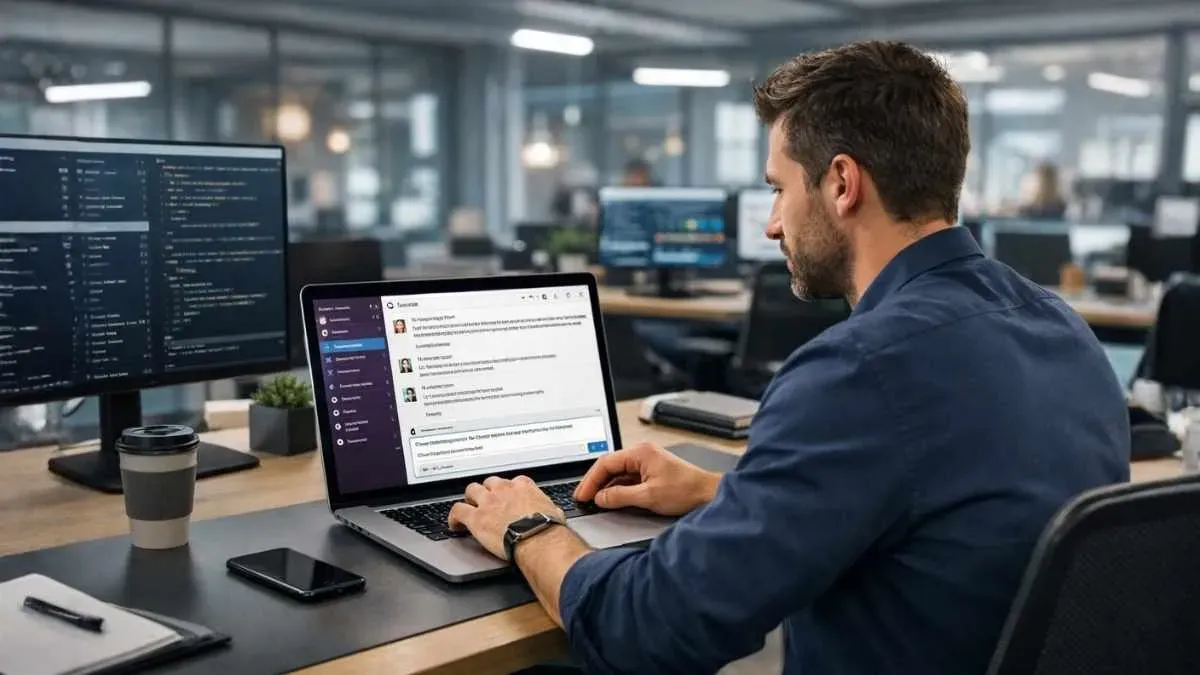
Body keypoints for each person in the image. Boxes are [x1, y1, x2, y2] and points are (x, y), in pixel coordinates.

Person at [447, 41, 1129, 674]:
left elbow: (648, 630)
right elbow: (938, 509)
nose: (772, 222)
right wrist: (726, 493)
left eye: (778, 188)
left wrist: (531, 526)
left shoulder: (860, 367)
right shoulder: (1061, 328)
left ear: (841, 183)